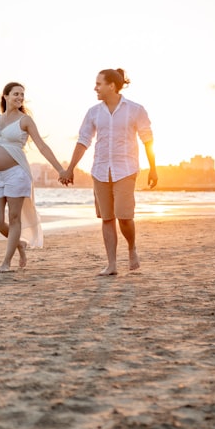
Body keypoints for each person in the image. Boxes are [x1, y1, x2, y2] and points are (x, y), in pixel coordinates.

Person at [60, 68, 157, 276]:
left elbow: (147, 139)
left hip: (126, 169)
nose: (95, 88)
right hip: (101, 170)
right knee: (107, 218)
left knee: (124, 217)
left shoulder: (135, 109)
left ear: (111, 86)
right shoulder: (93, 112)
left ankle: (131, 248)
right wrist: (70, 169)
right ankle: (111, 264)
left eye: (98, 84)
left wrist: (153, 169)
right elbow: (83, 141)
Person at [0, 82, 68, 273]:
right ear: (5, 96)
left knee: (13, 218)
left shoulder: (25, 120)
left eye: (22, 95)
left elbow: (42, 146)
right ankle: (19, 243)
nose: (20, 98)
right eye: (16, 94)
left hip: (17, 174)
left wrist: (60, 169)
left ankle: (6, 263)